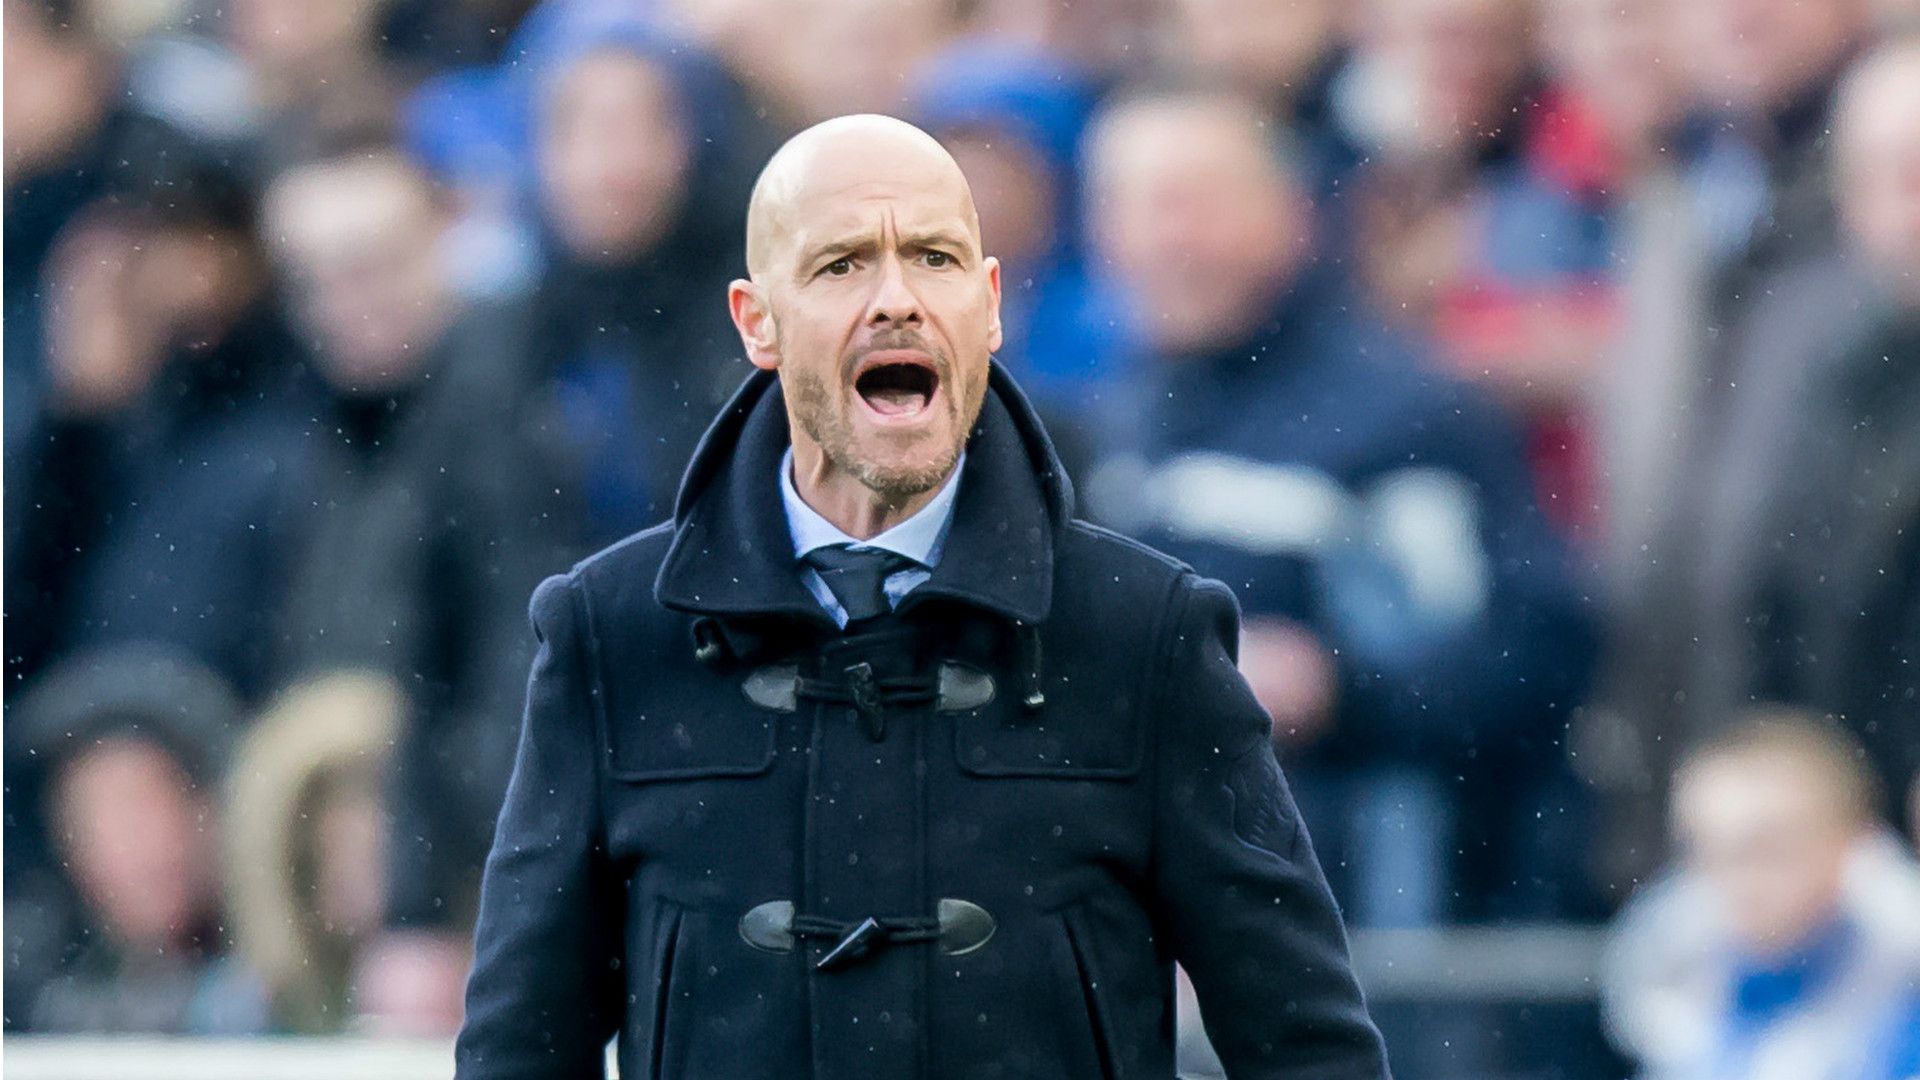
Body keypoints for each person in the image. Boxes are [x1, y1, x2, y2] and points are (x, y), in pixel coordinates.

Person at [455, 114, 1388, 1079]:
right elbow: (520, 1049)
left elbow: (1306, 1045)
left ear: (988, 305)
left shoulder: (1146, 631)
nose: (896, 299)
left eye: (934, 257)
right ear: (756, 321)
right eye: (842, 265)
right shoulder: (610, 635)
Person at [1081, 89, 1596, 927]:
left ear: (1290, 214)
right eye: (1129, 206)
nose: (1163, 239)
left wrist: (1335, 689)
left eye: (1195, 204)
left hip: (1394, 934)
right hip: (1186, 931)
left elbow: (1536, 658)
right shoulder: (1105, 422)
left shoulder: (1408, 413)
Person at [1601, 712, 1920, 1080]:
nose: (1735, 880)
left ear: (1852, 846)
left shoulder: (1905, 1007)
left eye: (1765, 849)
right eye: (1706, 851)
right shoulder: (1677, 1007)